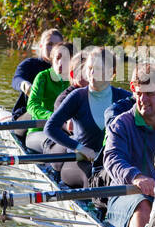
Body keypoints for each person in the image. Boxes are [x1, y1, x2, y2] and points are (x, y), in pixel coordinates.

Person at [101, 62, 155, 227]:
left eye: (149, 94)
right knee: (143, 205)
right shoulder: (121, 124)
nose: (142, 100)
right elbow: (112, 158)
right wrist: (136, 176)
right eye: (139, 93)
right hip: (127, 193)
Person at [43, 47, 130, 187]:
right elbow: (50, 128)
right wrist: (79, 147)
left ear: (112, 73)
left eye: (98, 69)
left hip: (109, 163)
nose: (92, 74)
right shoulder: (77, 97)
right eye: (89, 68)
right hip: (77, 162)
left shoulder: (124, 98)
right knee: (91, 177)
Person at [24, 41, 74, 152]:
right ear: (52, 60)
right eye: (58, 58)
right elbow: (32, 106)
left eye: (66, 59)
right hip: (38, 132)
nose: (60, 63)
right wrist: (54, 118)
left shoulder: (76, 81)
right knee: (53, 142)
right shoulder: (43, 77)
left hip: (64, 132)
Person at [10, 28, 64, 119]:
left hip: (55, 114)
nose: (53, 48)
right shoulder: (30, 64)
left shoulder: (67, 67)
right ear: (41, 46)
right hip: (26, 114)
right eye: (49, 44)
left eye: (56, 45)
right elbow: (16, 80)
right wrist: (25, 85)